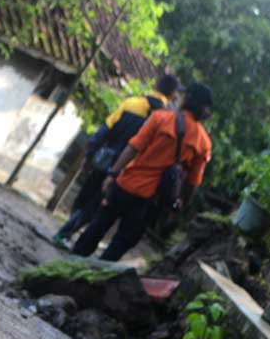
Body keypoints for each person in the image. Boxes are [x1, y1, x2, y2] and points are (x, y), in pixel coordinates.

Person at [71, 82, 214, 262]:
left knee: (97, 227)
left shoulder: (160, 118)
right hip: (150, 202)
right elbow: (192, 183)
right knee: (122, 242)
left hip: (125, 184)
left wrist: (112, 174)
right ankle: (94, 278)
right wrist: (179, 205)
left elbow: (133, 147)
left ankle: (69, 267)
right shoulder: (203, 143)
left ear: (188, 100)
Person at [51, 74, 181, 248]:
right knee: (99, 204)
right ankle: (65, 234)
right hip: (128, 171)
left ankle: (66, 233)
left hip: (106, 160)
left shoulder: (131, 103)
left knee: (89, 198)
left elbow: (104, 131)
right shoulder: (166, 119)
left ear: (155, 85)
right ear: (172, 95)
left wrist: (90, 155)